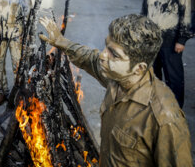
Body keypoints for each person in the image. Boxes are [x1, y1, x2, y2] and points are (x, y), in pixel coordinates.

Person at [39, 14, 192, 166]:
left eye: (115, 54)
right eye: (106, 46)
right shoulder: (118, 76)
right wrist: (60, 41)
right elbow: (89, 58)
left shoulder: (164, 119)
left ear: (139, 68)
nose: (103, 55)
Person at [142, 0, 192, 108]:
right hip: (152, 40)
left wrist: (181, 40)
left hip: (171, 40)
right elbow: (144, 14)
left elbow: (186, 16)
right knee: (153, 74)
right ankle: (155, 106)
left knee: (174, 77)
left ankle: (175, 110)